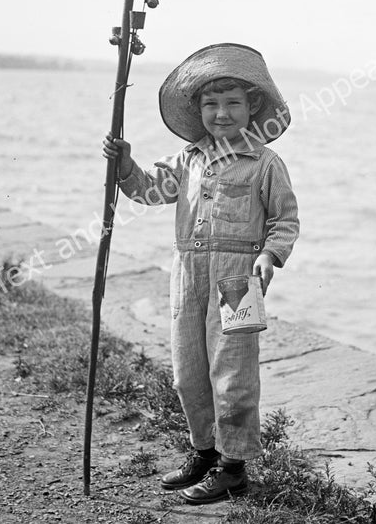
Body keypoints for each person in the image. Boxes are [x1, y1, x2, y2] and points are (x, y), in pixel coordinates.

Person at [103, 43, 299, 505]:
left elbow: (285, 220)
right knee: (188, 371)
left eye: (233, 103)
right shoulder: (188, 158)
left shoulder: (265, 164)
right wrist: (126, 165)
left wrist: (270, 256)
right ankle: (205, 453)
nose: (222, 113)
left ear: (253, 107)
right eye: (211, 104)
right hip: (189, 277)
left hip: (239, 283)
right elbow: (150, 189)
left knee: (233, 375)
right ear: (198, 110)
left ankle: (234, 468)